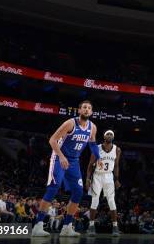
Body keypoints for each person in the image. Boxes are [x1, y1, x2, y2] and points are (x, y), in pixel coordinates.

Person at [31, 100, 102, 237]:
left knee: (78, 192)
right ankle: (38, 225)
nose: (86, 110)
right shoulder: (70, 123)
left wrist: (98, 157)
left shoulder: (92, 127)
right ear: (79, 110)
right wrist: (62, 156)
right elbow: (52, 140)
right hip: (59, 157)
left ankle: (67, 227)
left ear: (91, 112)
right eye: (84, 108)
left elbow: (92, 144)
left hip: (74, 161)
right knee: (54, 187)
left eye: (89, 108)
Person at [86, 130, 121, 236]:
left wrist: (116, 179)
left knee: (111, 201)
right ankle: (91, 226)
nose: (109, 135)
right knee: (94, 200)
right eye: (108, 134)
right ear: (104, 136)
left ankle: (115, 227)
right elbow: (90, 165)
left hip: (109, 176)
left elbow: (116, 166)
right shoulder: (97, 148)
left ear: (113, 137)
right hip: (97, 175)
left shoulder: (117, 149)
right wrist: (88, 179)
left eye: (111, 134)